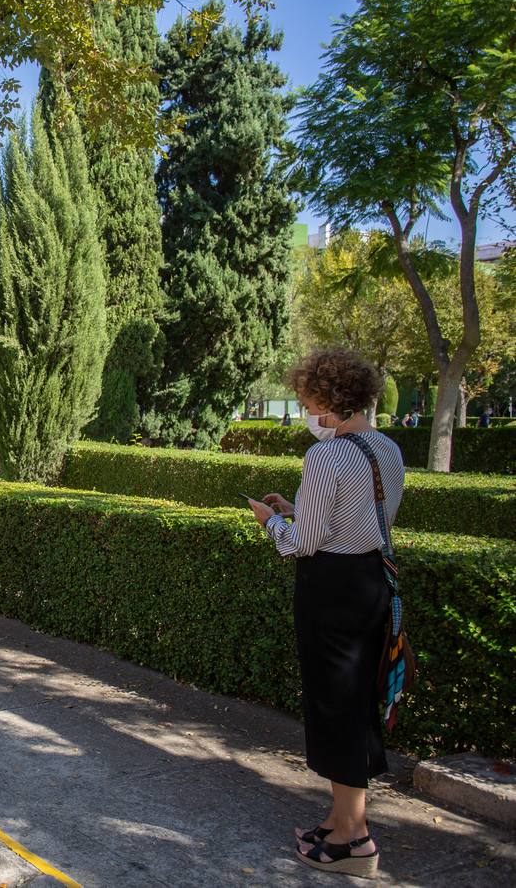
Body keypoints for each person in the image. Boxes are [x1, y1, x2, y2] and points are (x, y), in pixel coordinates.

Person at [243, 348, 403, 879]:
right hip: (371, 583)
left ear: (330, 400)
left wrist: (270, 521)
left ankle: (354, 839)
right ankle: (339, 819)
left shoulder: (326, 457)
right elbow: (362, 520)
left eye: (310, 400)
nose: (308, 409)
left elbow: (302, 544)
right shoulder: (386, 448)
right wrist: (297, 510)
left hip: (331, 590)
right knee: (355, 702)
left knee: (335, 707)